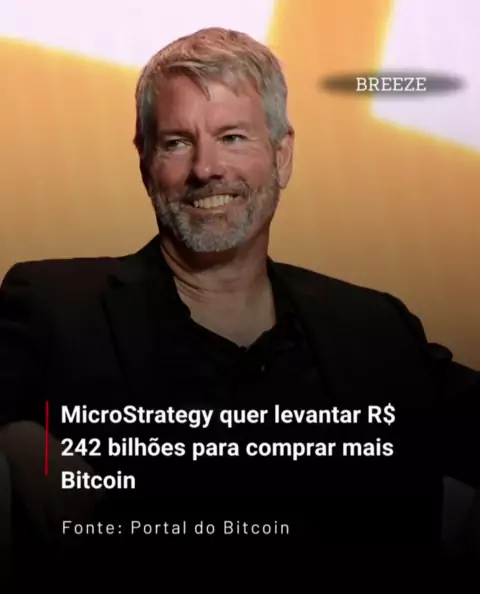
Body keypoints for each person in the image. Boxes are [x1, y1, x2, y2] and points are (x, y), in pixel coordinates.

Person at [0, 27, 478, 570]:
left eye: (232, 137)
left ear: (282, 156)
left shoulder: (376, 327)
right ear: (145, 164)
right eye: (176, 142)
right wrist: (14, 436)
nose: (206, 169)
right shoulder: (53, 306)